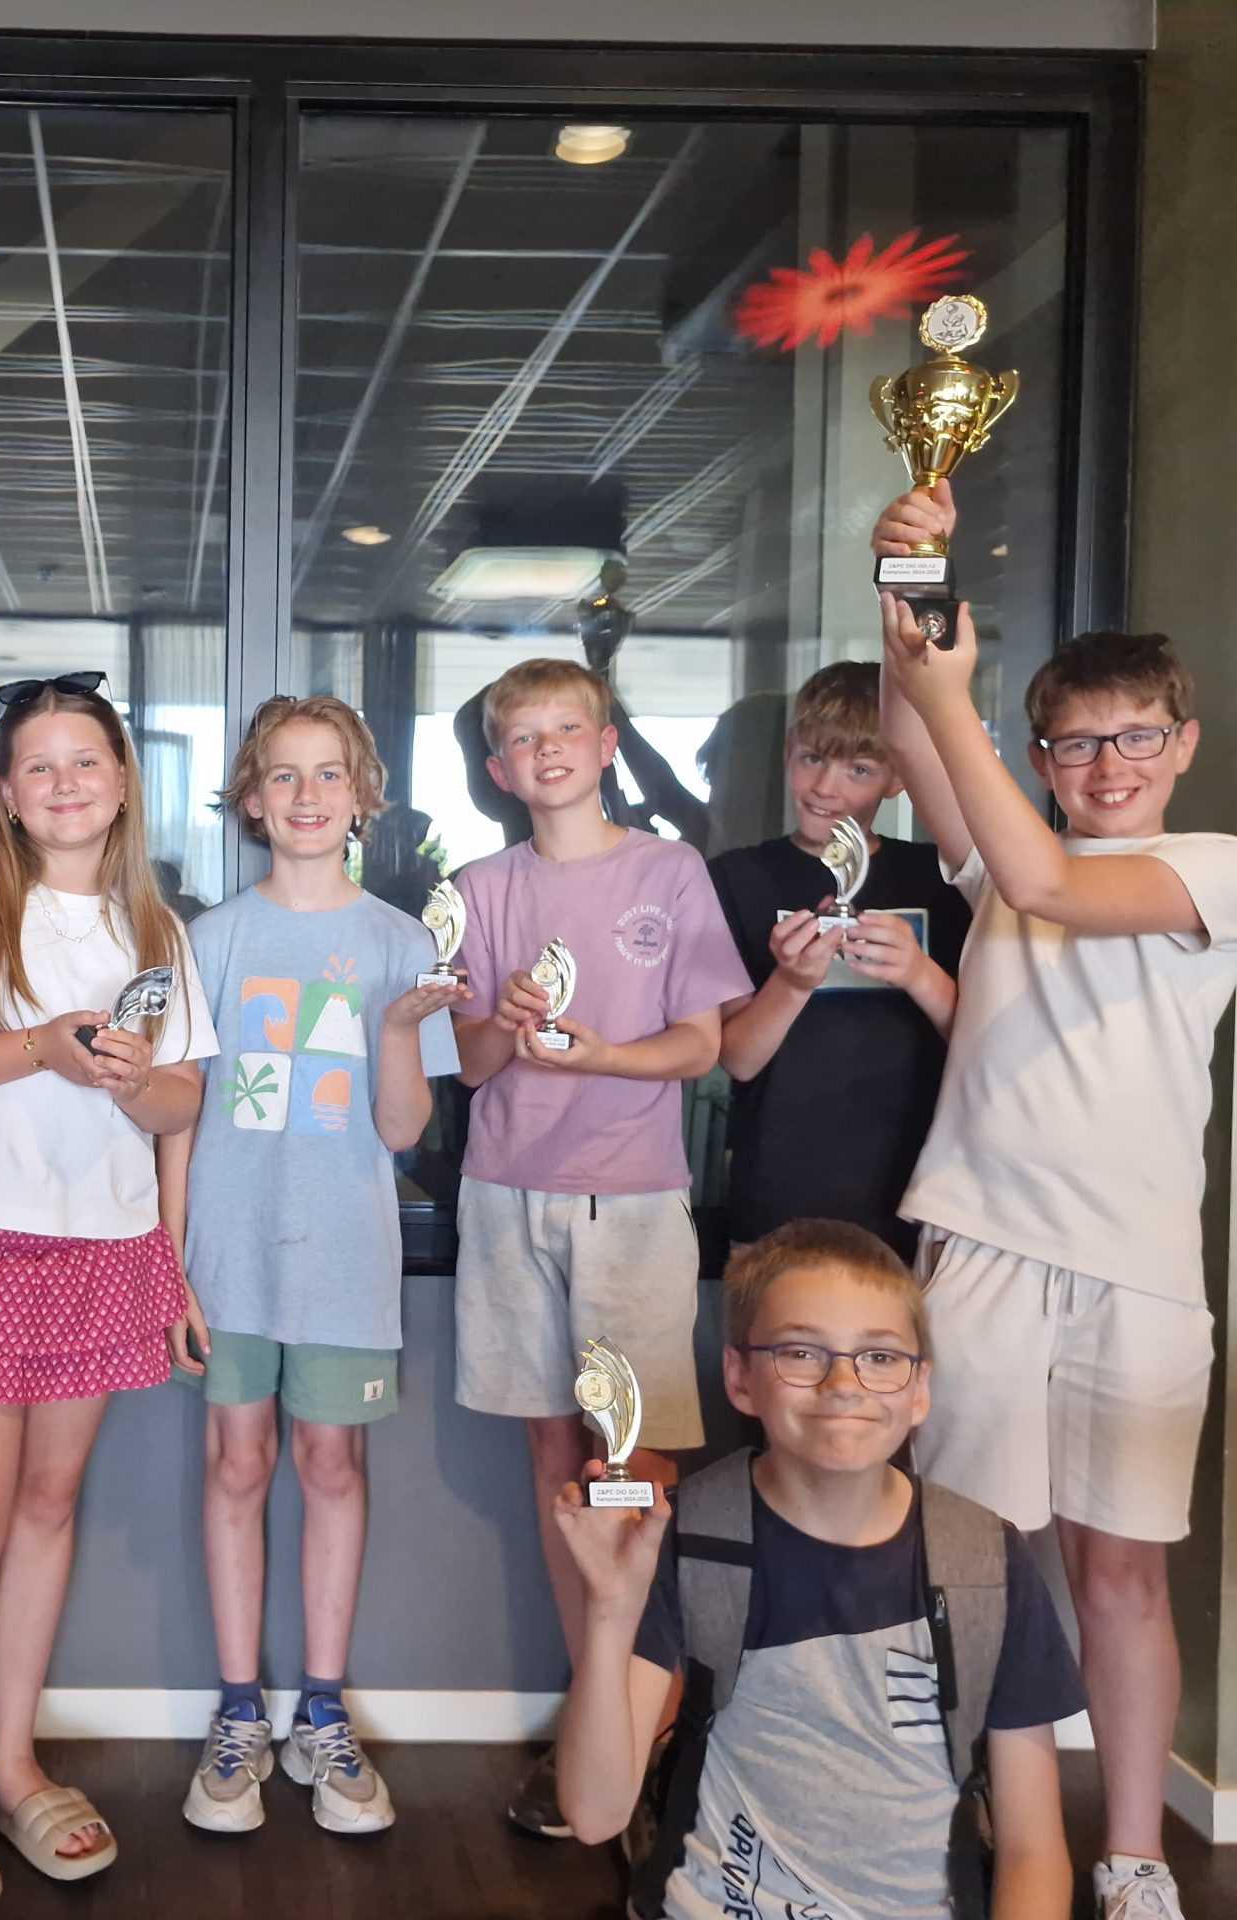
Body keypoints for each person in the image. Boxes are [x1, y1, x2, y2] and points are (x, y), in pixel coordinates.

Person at [874, 481, 1237, 1920]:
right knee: (979, 1567)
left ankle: (1135, 1855)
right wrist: (907, 574)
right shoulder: (997, 850)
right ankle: (990, 1816)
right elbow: (913, 734)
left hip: (1140, 1271)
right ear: (1040, 753)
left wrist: (956, 703)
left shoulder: (1213, 869)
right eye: (1078, 743)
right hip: (982, 1248)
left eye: (1136, 737)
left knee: (1121, 1578)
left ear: (1183, 745)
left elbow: (1046, 881)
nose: (1108, 765)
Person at [0, 670, 219, 1920]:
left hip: (106, 1251)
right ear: (6, 795)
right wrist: (36, 1048)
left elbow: (182, 1102)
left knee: (47, 1511)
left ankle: (7, 1762)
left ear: (122, 782)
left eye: (86, 761)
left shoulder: (155, 927)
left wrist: (128, 1082)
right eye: (38, 766)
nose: (65, 783)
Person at [552, 1220, 1083, 1919]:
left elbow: (1033, 1850)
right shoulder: (689, 1536)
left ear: (919, 1389)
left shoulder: (985, 1561)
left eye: (880, 1357)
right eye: (801, 1353)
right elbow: (594, 1815)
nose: (843, 1384)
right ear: (740, 1377)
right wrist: (611, 1609)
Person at [446, 656, 753, 1836]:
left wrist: (599, 1058)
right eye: (522, 739)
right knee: (551, 1457)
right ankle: (596, 1719)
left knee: (630, 1465)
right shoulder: (478, 888)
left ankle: (649, 1729)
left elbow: (700, 1046)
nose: (546, 752)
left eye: (565, 730)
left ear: (608, 741)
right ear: (497, 769)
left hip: (628, 1202)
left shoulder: (667, 872)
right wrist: (501, 1023)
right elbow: (468, 1066)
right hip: (503, 1196)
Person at [158, 696, 466, 1838]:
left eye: (328, 774)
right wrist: (172, 1263)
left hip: (343, 1260)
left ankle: (320, 1714)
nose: (305, 796)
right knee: (236, 1464)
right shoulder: (209, 938)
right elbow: (179, 1117)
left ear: (361, 796)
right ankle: (239, 1711)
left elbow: (400, 1132)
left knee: (331, 1466)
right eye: (282, 776)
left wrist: (399, 1030)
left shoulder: (401, 944)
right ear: (250, 799)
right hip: (228, 1255)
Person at [709, 661, 970, 1261]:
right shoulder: (737, 879)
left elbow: (984, 1044)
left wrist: (918, 973)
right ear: (788, 753)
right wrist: (793, 981)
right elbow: (738, 1058)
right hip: (777, 1193)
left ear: (897, 777)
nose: (826, 787)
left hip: (920, 1195)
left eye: (859, 769)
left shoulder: (941, 880)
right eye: (813, 759)